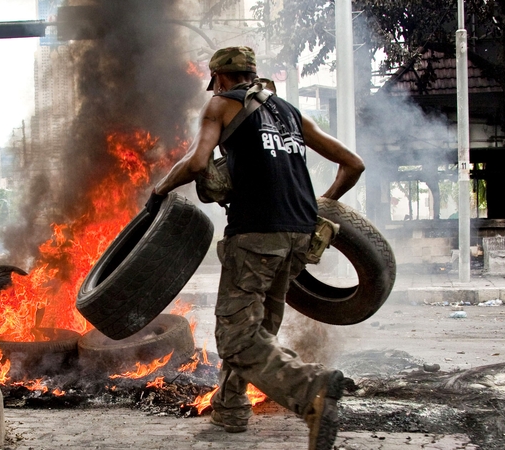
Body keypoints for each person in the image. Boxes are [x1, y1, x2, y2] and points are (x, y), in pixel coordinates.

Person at [146, 46, 364, 450]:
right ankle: (230, 409)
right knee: (258, 329)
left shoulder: (220, 106)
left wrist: (158, 190)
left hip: (256, 233)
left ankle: (310, 389)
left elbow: (197, 163)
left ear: (221, 78)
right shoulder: (289, 112)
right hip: (299, 235)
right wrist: (320, 207)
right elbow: (353, 164)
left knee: (236, 336)